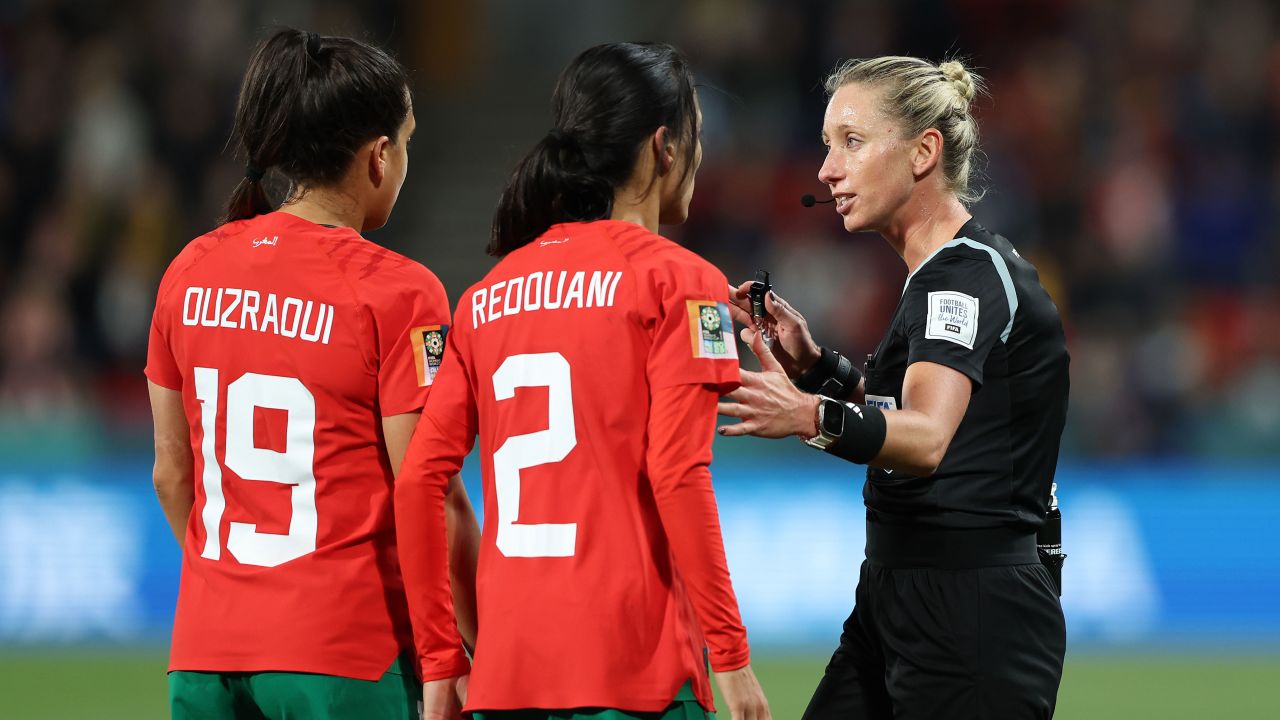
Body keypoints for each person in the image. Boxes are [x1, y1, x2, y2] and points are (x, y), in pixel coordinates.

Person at [393, 42, 771, 720]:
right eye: (698, 138)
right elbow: (679, 472)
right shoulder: (682, 282)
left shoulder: (486, 297)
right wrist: (734, 659)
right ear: (665, 147)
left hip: (509, 678)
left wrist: (442, 660)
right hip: (635, 675)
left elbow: (421, 480)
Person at [717, 56, 1069, 719]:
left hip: (971, 614)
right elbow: (916, 420)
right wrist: (822, 371)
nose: (826, 169)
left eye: (851, 141)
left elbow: (928, 439)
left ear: (923, 152)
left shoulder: (965, 278)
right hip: (899, 595)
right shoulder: (938, 277)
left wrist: (808, 413)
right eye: (827, 144)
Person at [145, 29, 480, 720]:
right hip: (341, 658)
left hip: (207, 654)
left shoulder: (189, 270)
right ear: (379, 157)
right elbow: (430, 494)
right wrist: (460, 650)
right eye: (407, 141)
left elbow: (173, 475)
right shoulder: (399, 293)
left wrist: (235, 589)